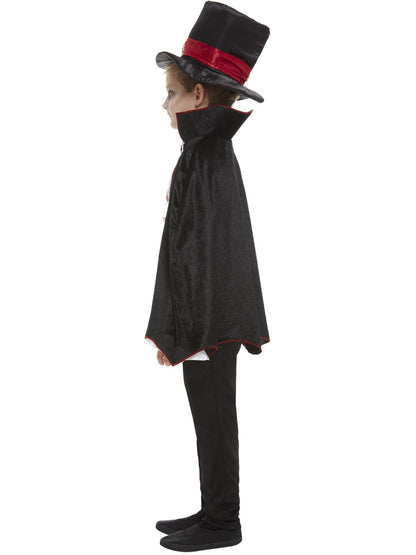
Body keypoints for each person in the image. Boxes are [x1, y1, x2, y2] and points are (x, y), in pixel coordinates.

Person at [145, 2, 270, 551]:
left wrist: (186, 331)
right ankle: (212, 507)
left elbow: (200, 253)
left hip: (210, 319)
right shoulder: (203, 150)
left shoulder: (208, 154)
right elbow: (187, 245)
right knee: (208, 417)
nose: (165, 104)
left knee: (216, 417)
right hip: (205, 315)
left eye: (172, 93)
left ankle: (223, 521)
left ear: (199, 97)